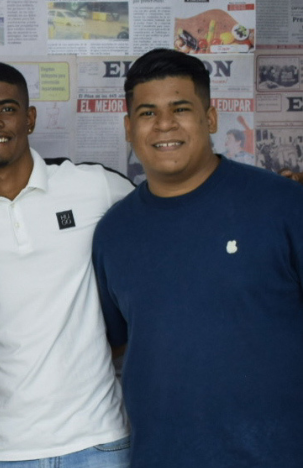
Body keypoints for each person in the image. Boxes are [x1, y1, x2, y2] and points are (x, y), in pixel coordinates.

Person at [93, 48, 303, 466]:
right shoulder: (113, 233)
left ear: (210, 118)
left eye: (181, 108)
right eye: (148, 113)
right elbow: (119, 343)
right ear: (129, 128)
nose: (164, 124)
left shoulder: (283, 206)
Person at [0, 62, 131, 467]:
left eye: (6, 108)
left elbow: (173, 217)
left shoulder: (94, 187)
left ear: (30, 118)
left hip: (99, 441)